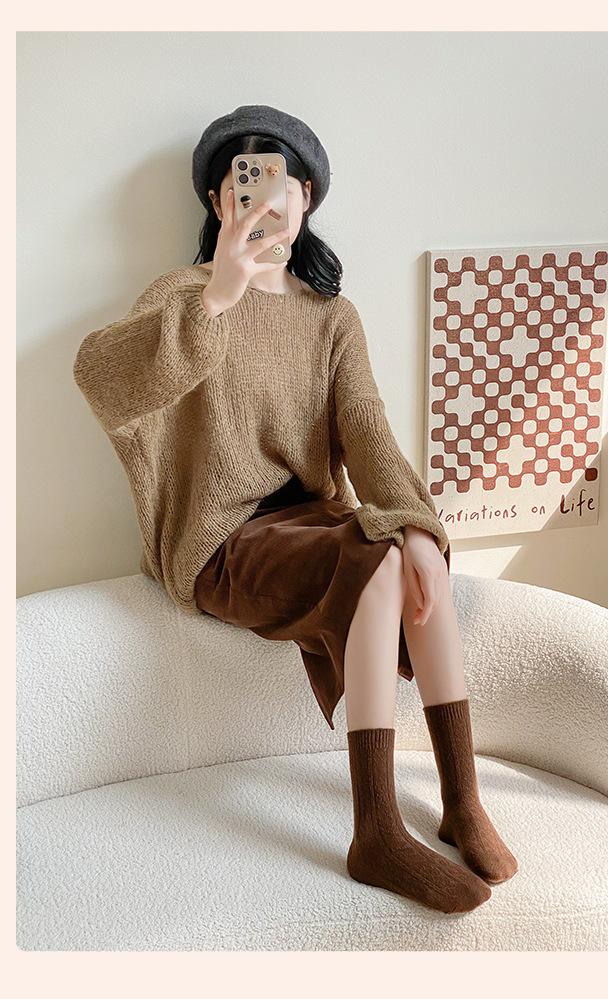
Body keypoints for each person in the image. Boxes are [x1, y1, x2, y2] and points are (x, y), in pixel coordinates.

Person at [73, 104, 517, 916]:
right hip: (220, 538)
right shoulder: (184, 295)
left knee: (408, 549)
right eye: (243, 187)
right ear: (219, 202)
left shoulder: (330, 317)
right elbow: (100, 378)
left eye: (281, 186)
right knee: (375, 555)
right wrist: (217, 298)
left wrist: (417, 520)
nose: (263, 203)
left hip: (311, 521)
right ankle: (376, 830)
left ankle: (462, 800)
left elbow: (368, 432)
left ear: (305, 197)